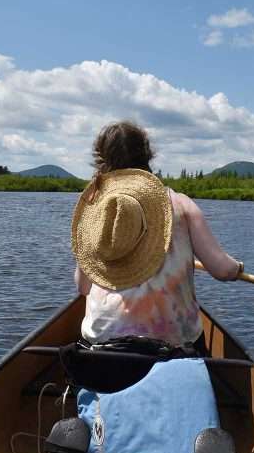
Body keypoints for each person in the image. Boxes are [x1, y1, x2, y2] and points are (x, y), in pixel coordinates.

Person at [71, 121, 244, 356]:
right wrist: (237, 268)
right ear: (147, 155)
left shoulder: (97, 210)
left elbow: (83, 287)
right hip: (173, 347)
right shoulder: (181, 204)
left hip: (102, 347)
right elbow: (222, 270)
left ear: (101, 159)